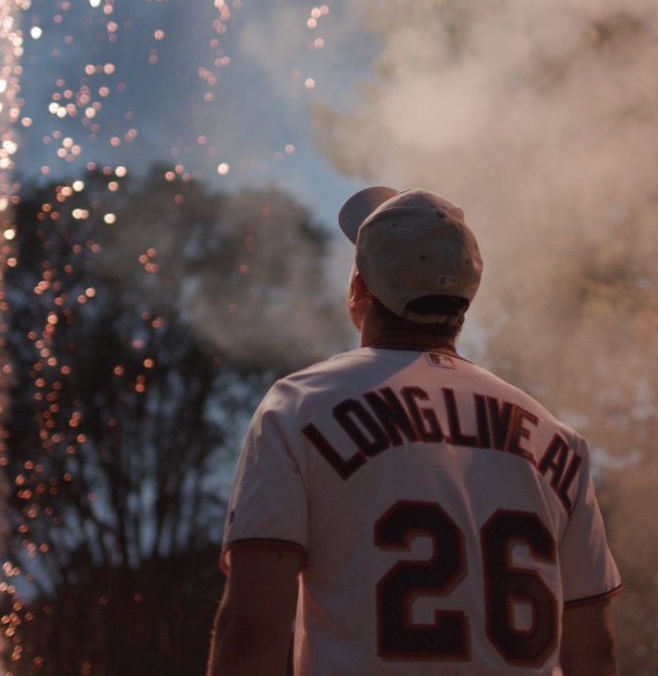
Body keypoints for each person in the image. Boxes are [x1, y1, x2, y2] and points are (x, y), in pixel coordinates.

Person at [206, 187, 622, 676]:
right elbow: (594, 653)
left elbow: (253, 627)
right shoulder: (559, 441)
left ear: (359, 288)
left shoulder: (297, 406)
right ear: (465, 299)